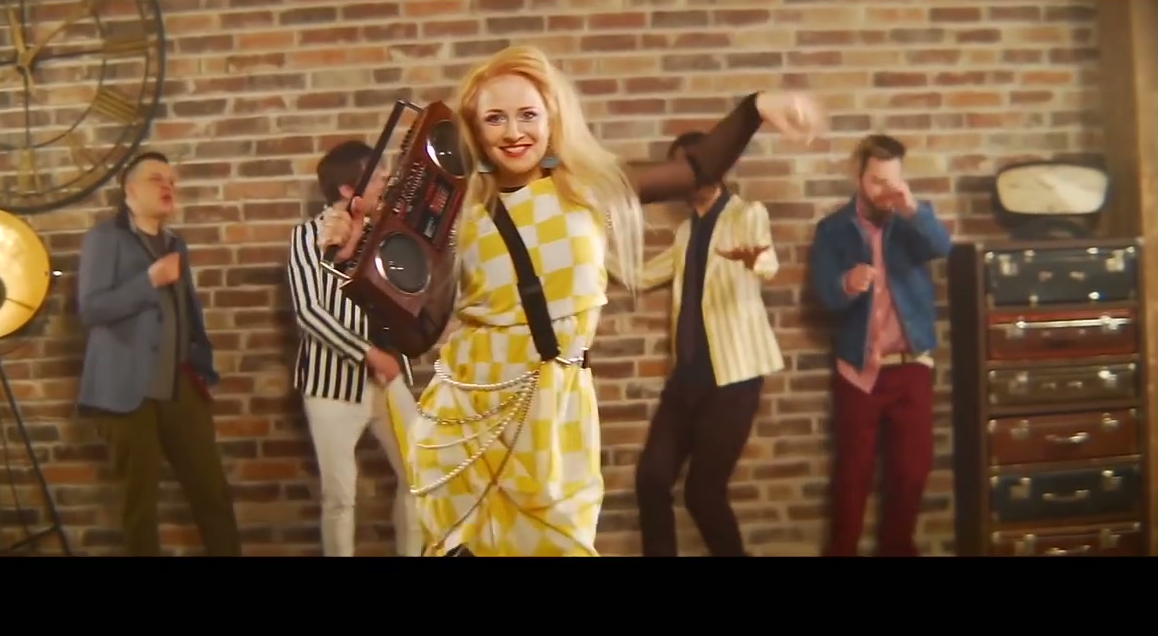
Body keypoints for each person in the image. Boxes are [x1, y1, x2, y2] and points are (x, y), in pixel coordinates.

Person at [320, 45, 822, 556]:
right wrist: (357, 261)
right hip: (471, 410)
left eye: (527, 114)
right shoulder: (463, 212)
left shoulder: (588, 187)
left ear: (552, 117)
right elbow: (420, 334)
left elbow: (698, 168)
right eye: (494, 118)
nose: (513, 132)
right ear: (473, 128)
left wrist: (757, 107)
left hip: (556, 408)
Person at [75, 151, 241, 557]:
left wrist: (201, 366)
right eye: (156, 179)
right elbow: (92, 309)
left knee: (212, 493)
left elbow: (187, 312)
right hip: (124, 391)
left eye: (171, 180)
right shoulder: (105, 238)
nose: (168, 186)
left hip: (179, 384)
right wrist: (148, 280)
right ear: (130, 191)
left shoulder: (175, 243)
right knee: (139, 506)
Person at [633, 131, 786, 557]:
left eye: (695, 165)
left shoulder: (747, 215)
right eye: (680, 170)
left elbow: (767, 262)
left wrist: (755, 258)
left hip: (733, 380)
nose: (689, 176)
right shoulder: (686, 232)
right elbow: (642, 276)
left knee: (703, 494)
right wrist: (589, 252)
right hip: (686, 379)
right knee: (652, 479)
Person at [808, 134, 952, 557]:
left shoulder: (912, 219)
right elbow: (824, 294)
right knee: (852, 478)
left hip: (911, 365)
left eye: (891, 181)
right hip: (858, 370)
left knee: (912, 473)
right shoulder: (833, 229)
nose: (883, 192)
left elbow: (943, 247)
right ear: (859, 177)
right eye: (875, 181)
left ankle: (897, 549)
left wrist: (912, 209)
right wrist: (846, 284)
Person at [286, 140, 423, 557]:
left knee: (420, 476)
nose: (386, 180)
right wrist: (368, 353)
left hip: (389, 379)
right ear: (348, 189)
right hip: (331, 386)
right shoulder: (308, 237)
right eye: (377, 175)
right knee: (340, 498)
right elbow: (310, 311)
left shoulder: (386, 234)